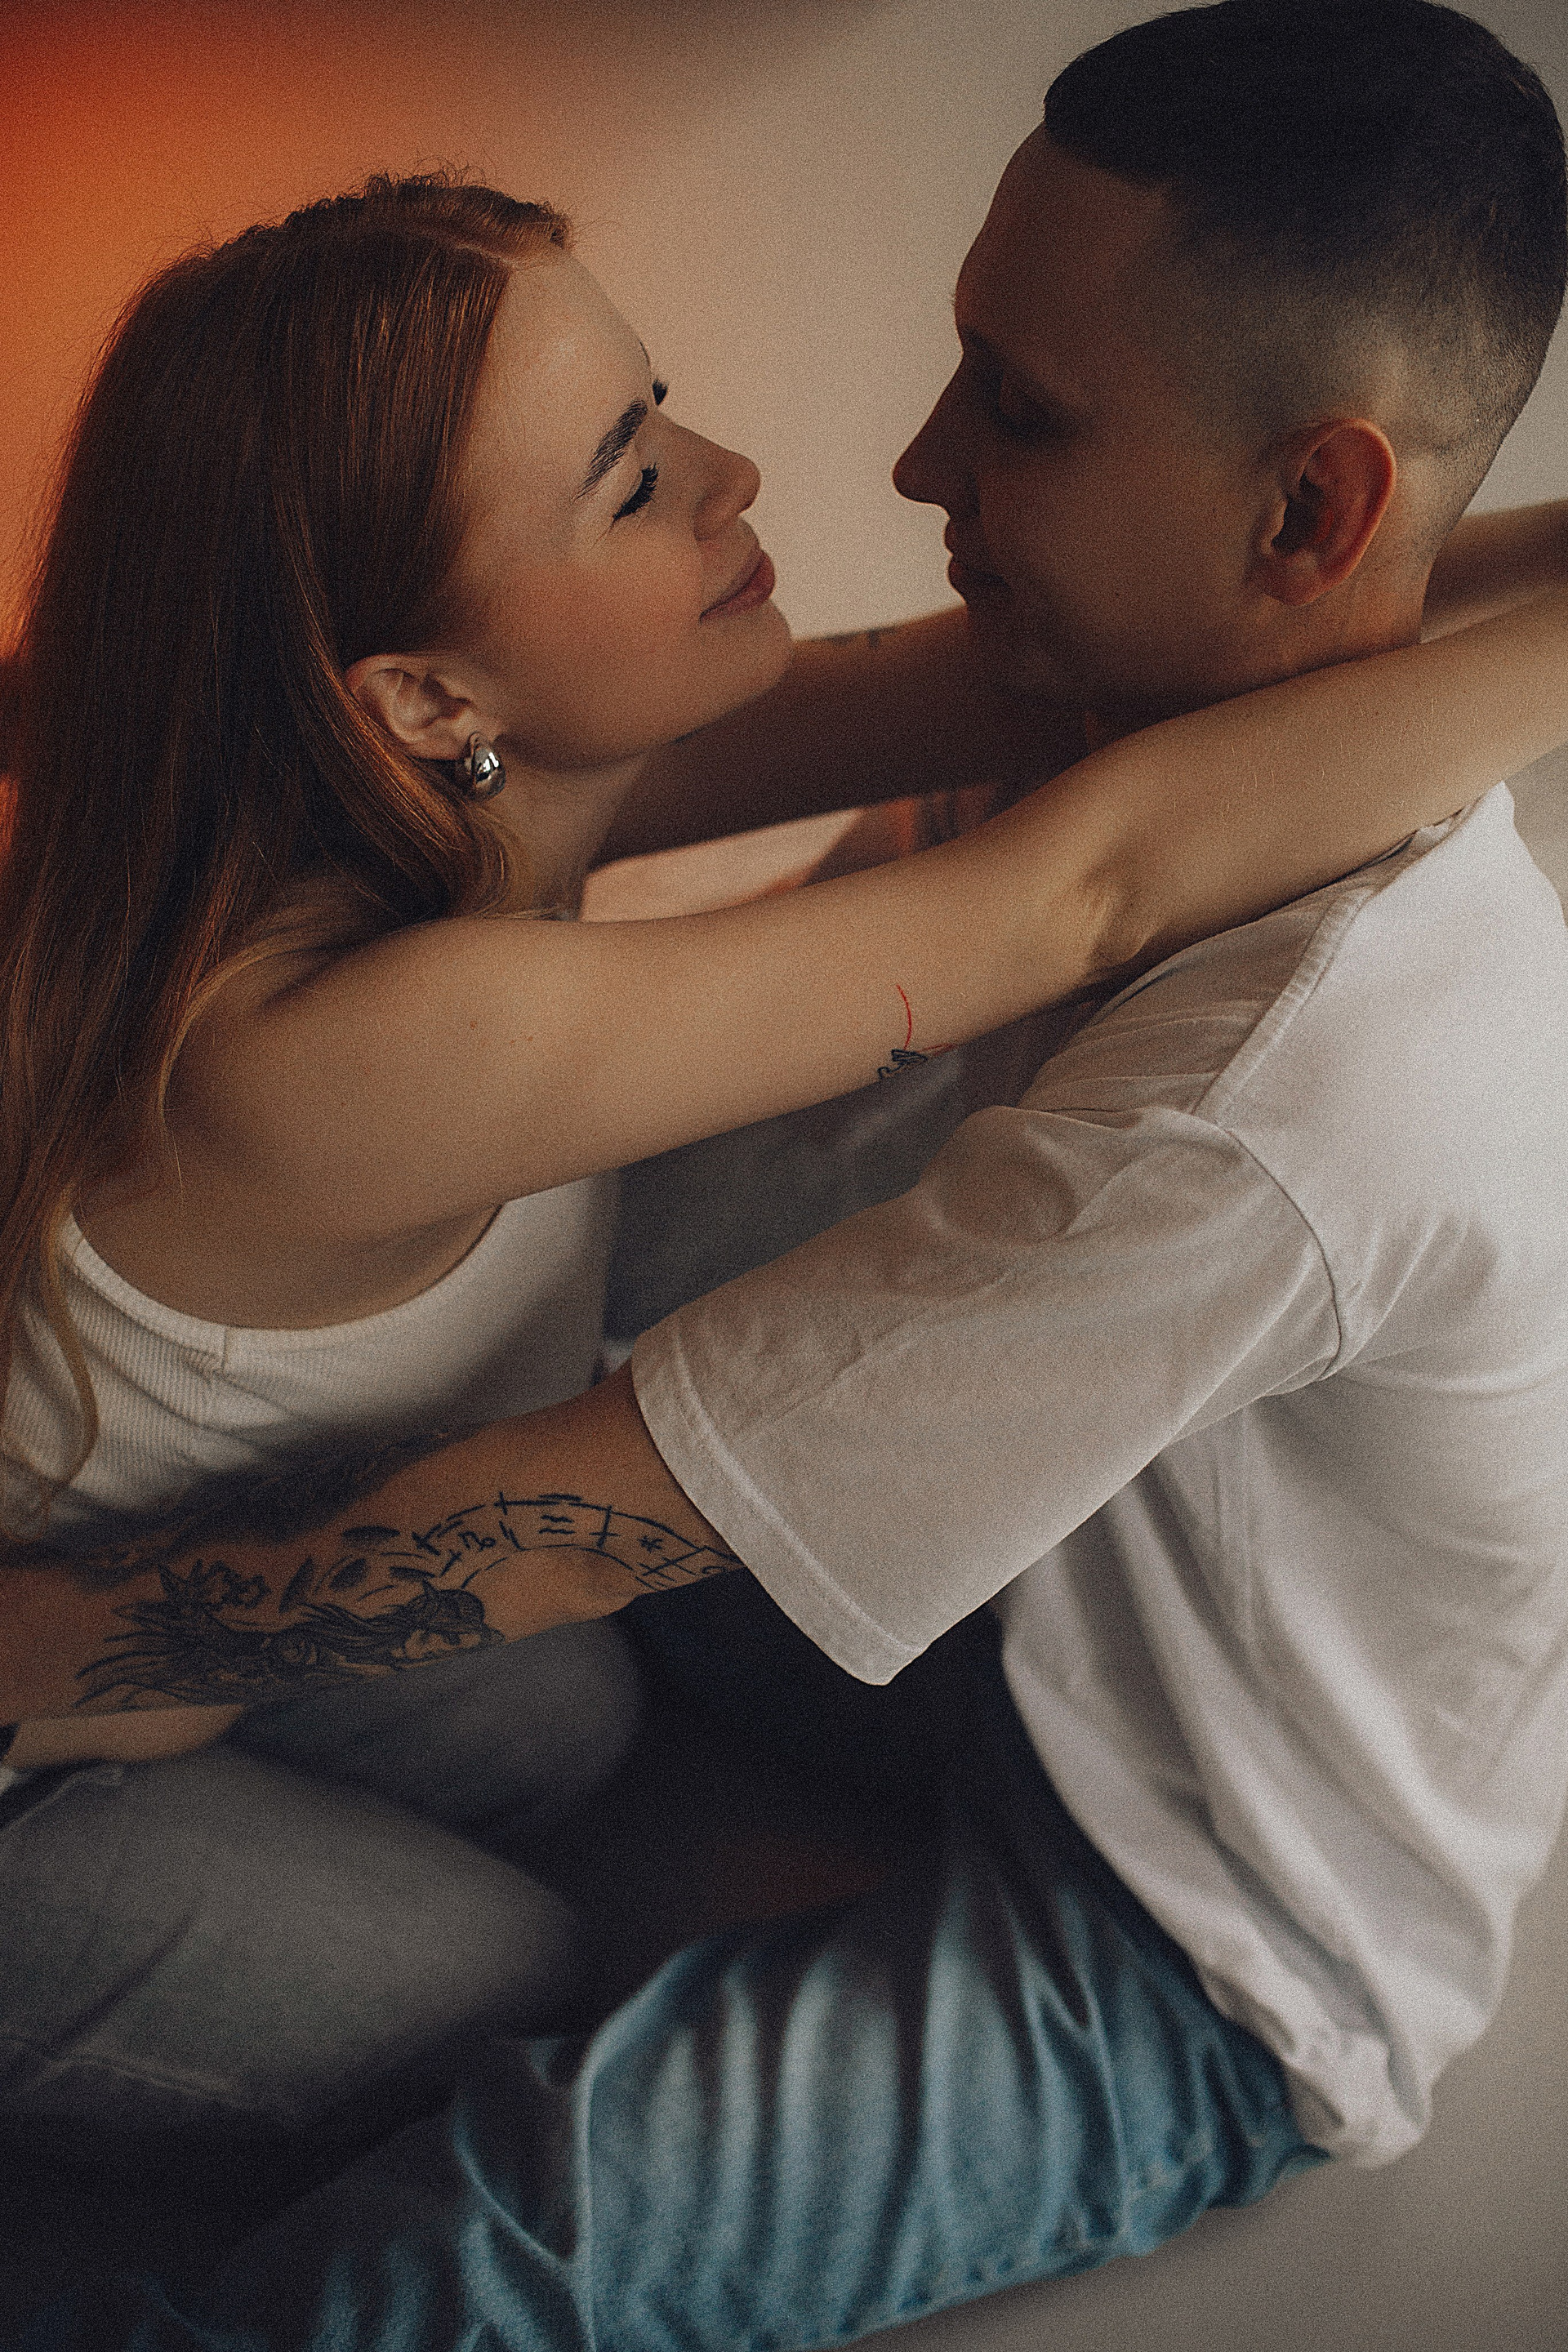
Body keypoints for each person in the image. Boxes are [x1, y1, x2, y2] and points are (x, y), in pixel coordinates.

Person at [9, 0, 1568, 2342]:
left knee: (556, 1840)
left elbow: (1097, 858)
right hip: (98, 1657)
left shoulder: (1267, 1064)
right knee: (503, 1997)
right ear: (426, 696)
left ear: (1308, 513)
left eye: (1017, 405)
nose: (863, 463)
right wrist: (71, 1657)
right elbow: (1074, 890)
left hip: (1206, 1919)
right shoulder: (376, 1025)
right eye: (629, 475)